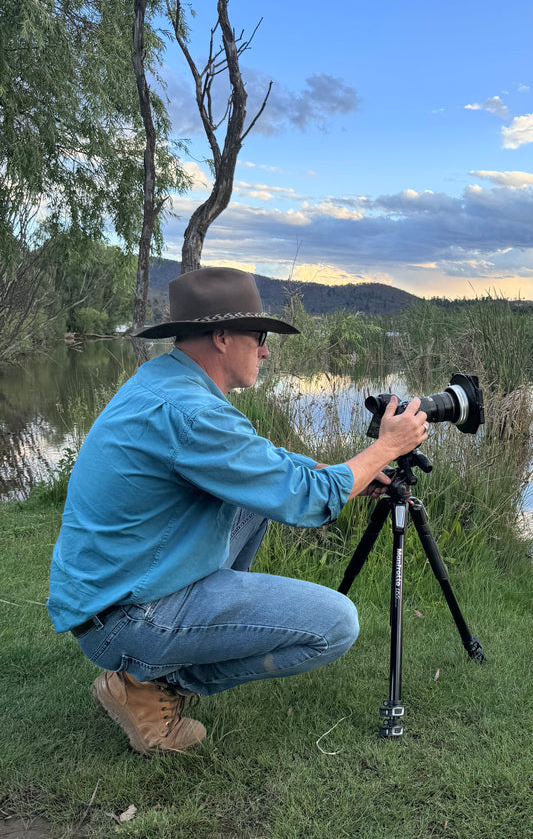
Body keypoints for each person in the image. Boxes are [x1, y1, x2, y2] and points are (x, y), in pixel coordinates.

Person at [47, 267, 428, 755]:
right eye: (260, 336)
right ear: (223, 336)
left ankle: (153, 667)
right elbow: (306, 500)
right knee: (335, 625)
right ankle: (154, 685)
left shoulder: (167, 383)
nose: (266, 350)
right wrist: (385, 448)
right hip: (126, 617)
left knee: (257, 500)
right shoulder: (193, 412)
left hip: (113, 592)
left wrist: (340, 471)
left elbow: (261, 466)